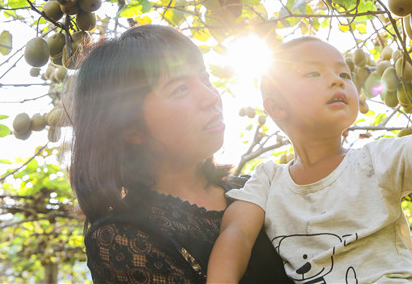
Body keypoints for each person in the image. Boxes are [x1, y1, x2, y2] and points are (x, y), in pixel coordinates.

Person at [207, 0, 412, 283]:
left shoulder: (375, 160)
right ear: (277, 107)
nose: (337, 80)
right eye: (313, 73)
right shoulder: (267, 180)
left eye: (343, 73)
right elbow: (236, 234)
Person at [68, 24, 291, 283]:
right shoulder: (121, 237)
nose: (210, 97)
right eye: (180, 89)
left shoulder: (255, 190)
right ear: (130, 128)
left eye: (204, 78)